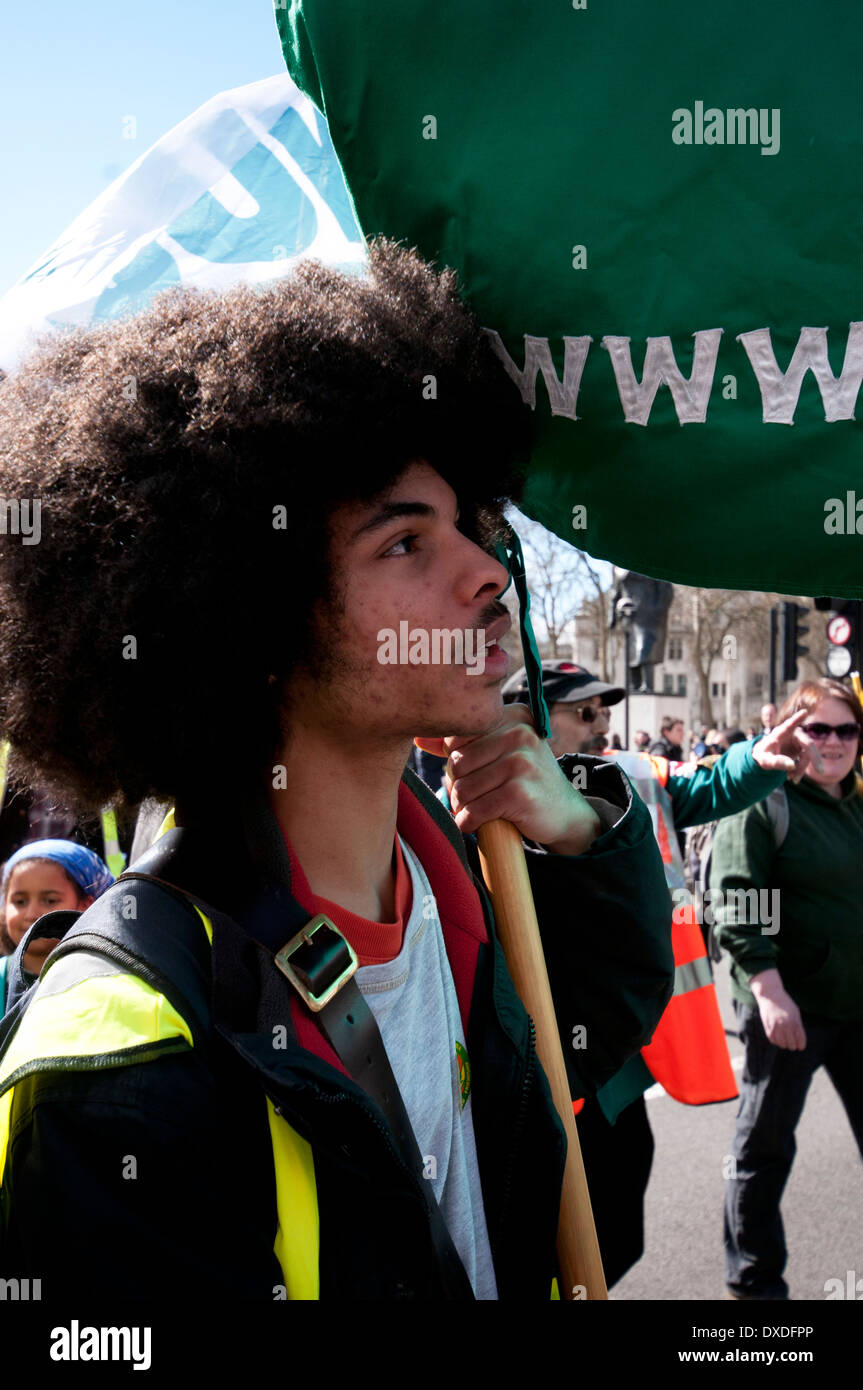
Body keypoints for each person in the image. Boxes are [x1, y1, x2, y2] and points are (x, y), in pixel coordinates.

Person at [0, 243, 674, 1301]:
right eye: (404, 544)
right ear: (250, 619)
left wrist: (588, 838)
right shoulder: (116, 1057)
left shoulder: (455, 874)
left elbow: (589, 1039)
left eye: (466, 523)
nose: (487, 572)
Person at [501, 663, 816, 1284]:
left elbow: (711, 785)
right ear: (529, 719)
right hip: (539, 1062)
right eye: (584, 713)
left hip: (617, 1059)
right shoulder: (483, 803)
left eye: (605, 712)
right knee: (550, 1246)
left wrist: (757, 756)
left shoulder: (635, 775)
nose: (602, 727)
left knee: (616, 1234)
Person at [710, 677, 863, 1301]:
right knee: (764, 1152)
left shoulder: (855, 802)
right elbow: (738, 896)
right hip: (788, 1009)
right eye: (817, 728)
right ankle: (755, 1293)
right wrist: (769, 988)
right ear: (792, 732)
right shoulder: (766, 796)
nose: (832, 742)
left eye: (845, 729)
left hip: (856, 1006)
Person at [0, 840, 114, 1013]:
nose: (31, 914)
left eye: (50, 901)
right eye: (20, 902)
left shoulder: (104, 981)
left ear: (86, 905)